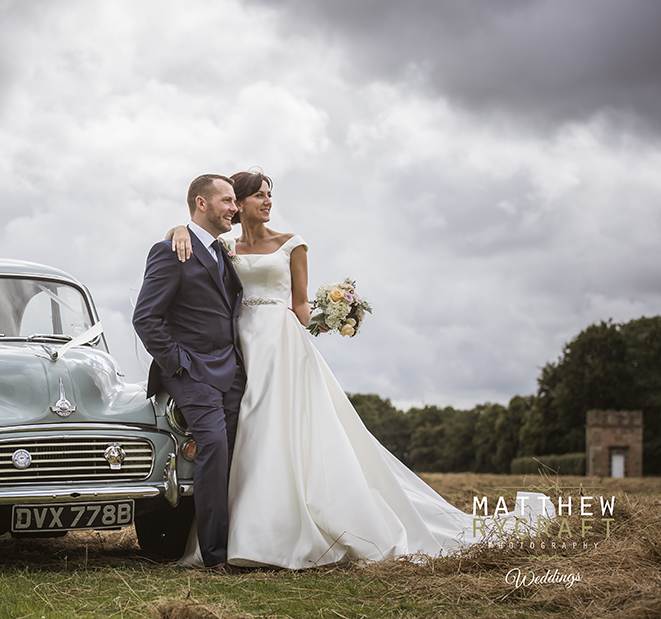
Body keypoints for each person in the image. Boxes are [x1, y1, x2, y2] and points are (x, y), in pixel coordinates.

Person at [169, 171, 554, 569]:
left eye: (270, 195)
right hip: (236, 345)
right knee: (244, 430)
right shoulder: (225, 246)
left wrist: (332, 317)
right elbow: (192, 239)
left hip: (280, 342)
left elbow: (300, 307)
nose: (267, 202)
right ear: (239, 201)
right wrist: (179, 227)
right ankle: (237, 534)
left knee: (275, 426)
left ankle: (273, 535)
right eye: (258, 196)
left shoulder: (292, 244)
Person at [132, 174, 247, 574]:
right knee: (213, 449)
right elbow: (146, 318)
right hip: (191, 372)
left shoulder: (220, 251)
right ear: (202, 203)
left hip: (231, 372)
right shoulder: (169, 252)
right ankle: (215, 556)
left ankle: (242, 540)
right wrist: (178, 364)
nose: (234, 208)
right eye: (227, 201)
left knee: (237, 453)